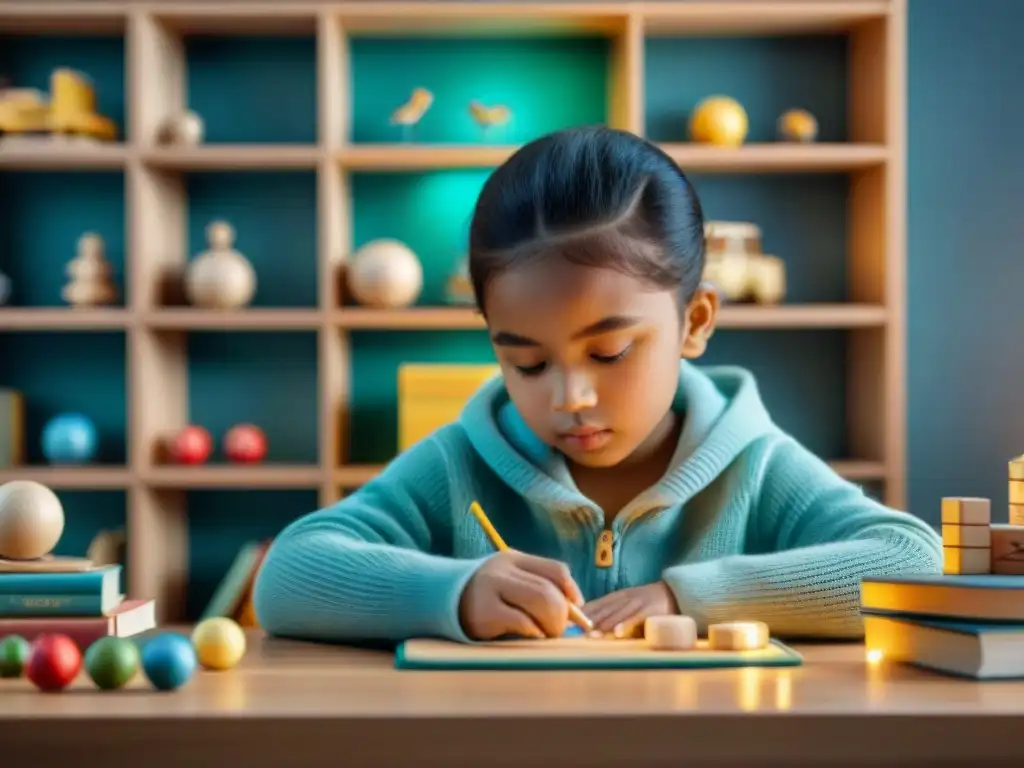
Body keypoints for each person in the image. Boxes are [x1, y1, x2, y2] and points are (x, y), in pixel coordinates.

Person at [252, 126, 941, 644]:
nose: (568, 398)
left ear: (695, 321)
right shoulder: (458, 464)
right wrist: (454, 591)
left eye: (609, 352)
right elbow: (289, 576)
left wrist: (690, 596)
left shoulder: (753, 463)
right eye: (525, 363)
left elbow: (914, 562)